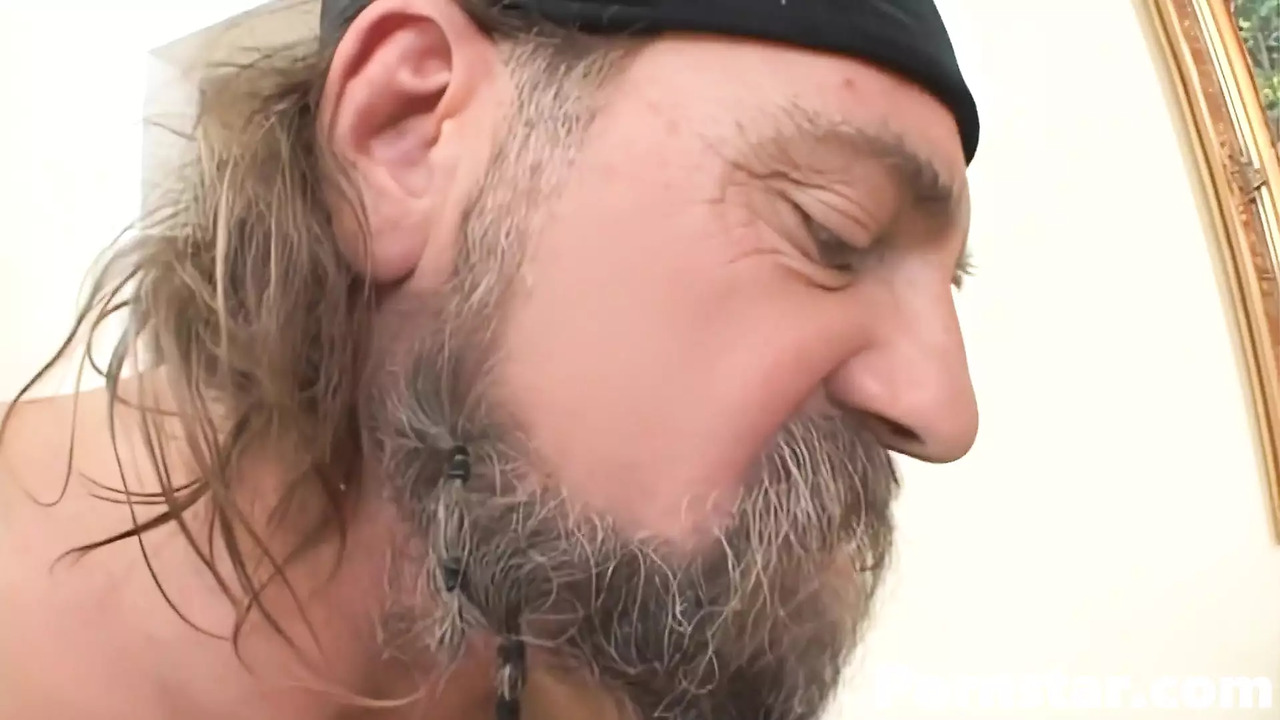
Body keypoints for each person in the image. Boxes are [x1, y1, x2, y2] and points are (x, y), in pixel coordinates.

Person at [0, 0, 980, 717]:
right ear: (403, 136)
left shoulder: (591, 674)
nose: (946, 412)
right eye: (832, 232)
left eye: (947, 288)